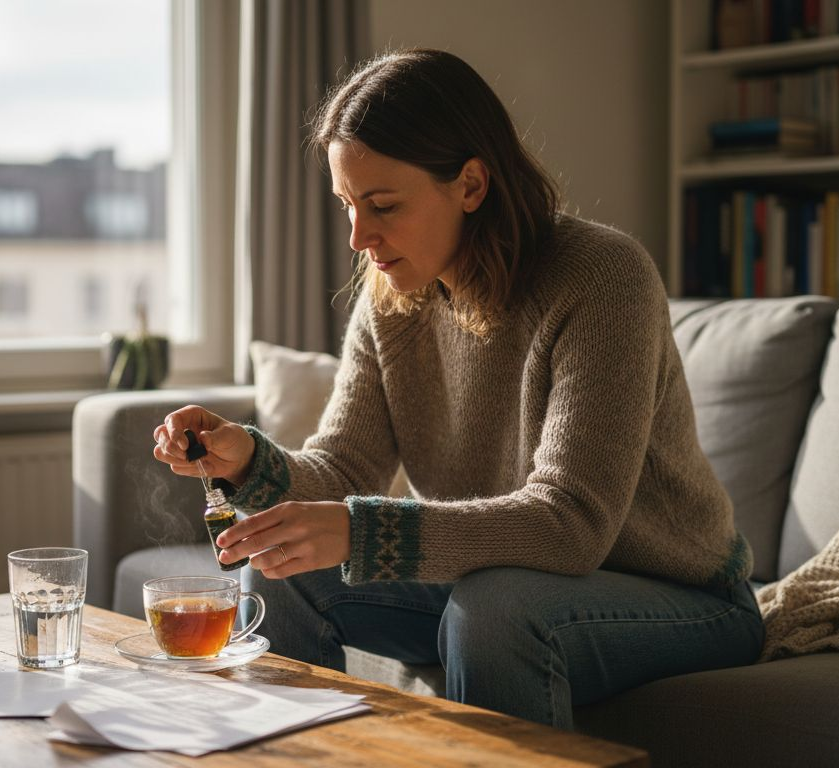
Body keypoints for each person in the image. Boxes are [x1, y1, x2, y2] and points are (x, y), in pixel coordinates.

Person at [152, 48, 762, 730]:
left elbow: (571, 526)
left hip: (681, 596)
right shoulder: (391, 299)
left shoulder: (603, 277)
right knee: (280, 564)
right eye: (347, 205)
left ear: (471, 185)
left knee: (495, 611)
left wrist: (359, 530)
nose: (359, 237)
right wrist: (245, 460)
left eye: (382, 205)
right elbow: (344, 469)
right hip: (499, 578)